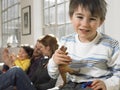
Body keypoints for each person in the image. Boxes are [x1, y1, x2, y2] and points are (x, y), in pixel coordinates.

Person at [47, 0, 120, 90]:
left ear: (101, 21)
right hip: (70, 85)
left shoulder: (111, 45)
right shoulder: (65, 41)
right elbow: (53, 74)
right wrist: (54, 61)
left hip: (93, 86)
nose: (85, 24)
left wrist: (107, 84)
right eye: (80, 17)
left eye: (92, 19)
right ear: (71, 17)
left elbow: (118, 74)